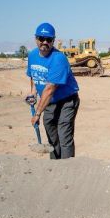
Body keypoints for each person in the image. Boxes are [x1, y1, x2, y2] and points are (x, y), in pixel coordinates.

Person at [26, 22, 80, 159]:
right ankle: (55, 166)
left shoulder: (58, 59)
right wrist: (33, 92)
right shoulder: (32, 56)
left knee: (64, 135)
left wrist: (37, 113)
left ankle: (67, 169)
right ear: (35, 39)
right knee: (50, 131)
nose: (45, 42)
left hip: (67, 101)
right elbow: (33, 75)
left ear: (53, 41)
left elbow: (50, 89)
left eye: (48, 39)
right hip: (49, 102)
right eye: (41, 38)